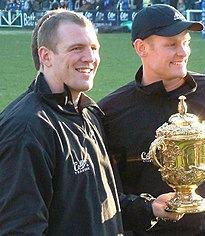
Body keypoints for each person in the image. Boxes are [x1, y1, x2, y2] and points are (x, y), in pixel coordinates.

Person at [0, 9, 183, 235]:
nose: (89, 58)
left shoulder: (88, 114)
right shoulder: (27, 128)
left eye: (94, 48)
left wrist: (150, 208)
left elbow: (100, 204)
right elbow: (19, 228)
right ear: (46, 56)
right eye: (76, 48)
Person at [98, 4, 205, 236]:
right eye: (171, 44)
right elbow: (105, 197)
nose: (183, 52)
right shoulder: (110, 112)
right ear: (141, 48)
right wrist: (148, 208)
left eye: (186, 42)